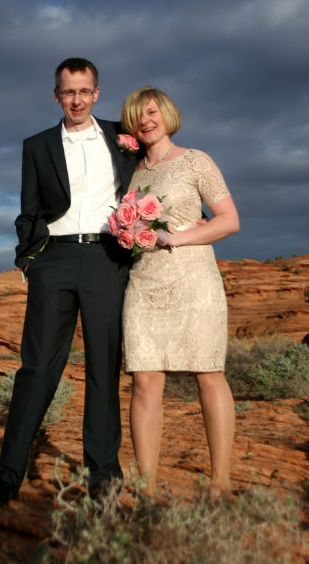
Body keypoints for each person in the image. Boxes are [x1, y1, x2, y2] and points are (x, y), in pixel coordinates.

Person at [0, 58, 136, 505]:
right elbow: (29, 210)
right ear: (57, 95)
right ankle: (7, 476)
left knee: (103, 369)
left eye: (85, 91)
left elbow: (156, 175)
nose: (77, 99)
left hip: (108, 258)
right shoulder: (37, 146)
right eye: (69, 92)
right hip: (55, 259)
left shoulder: (123, 138)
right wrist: (29, 260)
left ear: (97, 93)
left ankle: (102, 481)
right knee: (37, 368)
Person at [121, 87, 239, 497]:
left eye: (152, 112)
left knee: (209, 374)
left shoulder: (196, 161)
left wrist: (177, 237)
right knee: (144, 380)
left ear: (167, 114)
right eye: (137, 116)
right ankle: (146, 489)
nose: (146, 121)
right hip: (143, 283)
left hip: (193, 279)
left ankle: (220, 483)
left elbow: (228, 220)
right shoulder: (130, 171)